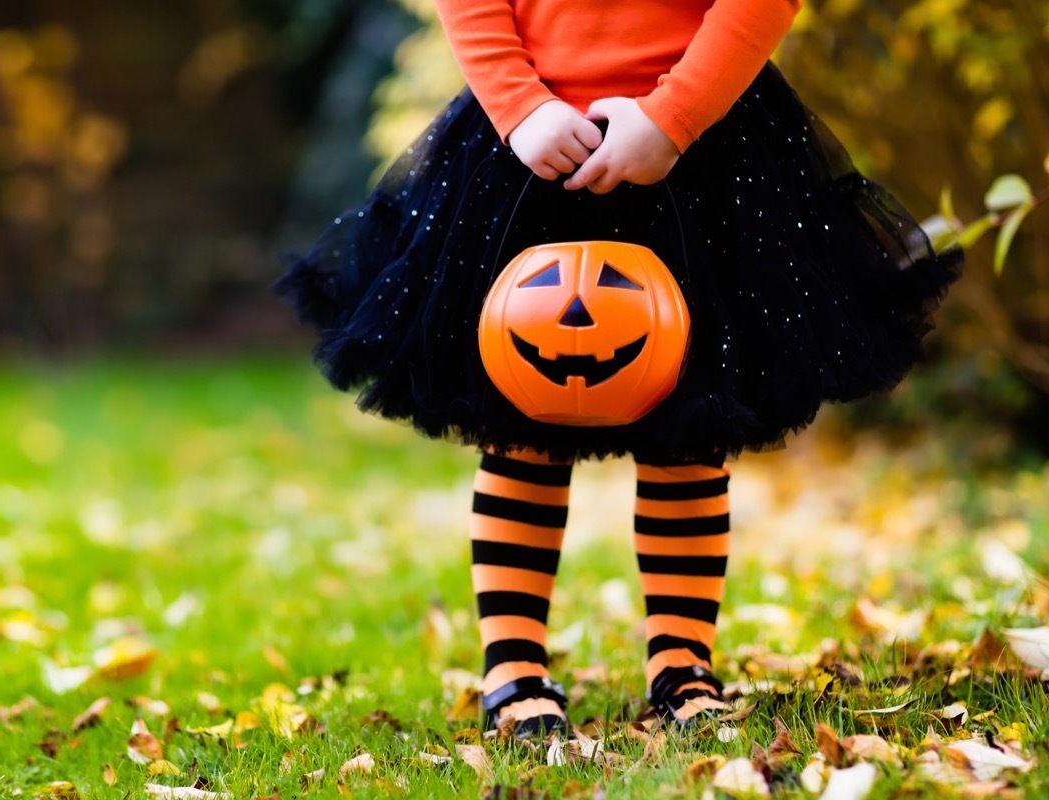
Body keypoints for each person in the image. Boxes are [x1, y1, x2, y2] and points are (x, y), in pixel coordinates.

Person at [276, 0, 960, 734]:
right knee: (521, 421)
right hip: (532, 145)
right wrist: (518, 105)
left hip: (705, 150)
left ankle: (682, 663)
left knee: (691, 429)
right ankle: (513, 666)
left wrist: (674, 115)